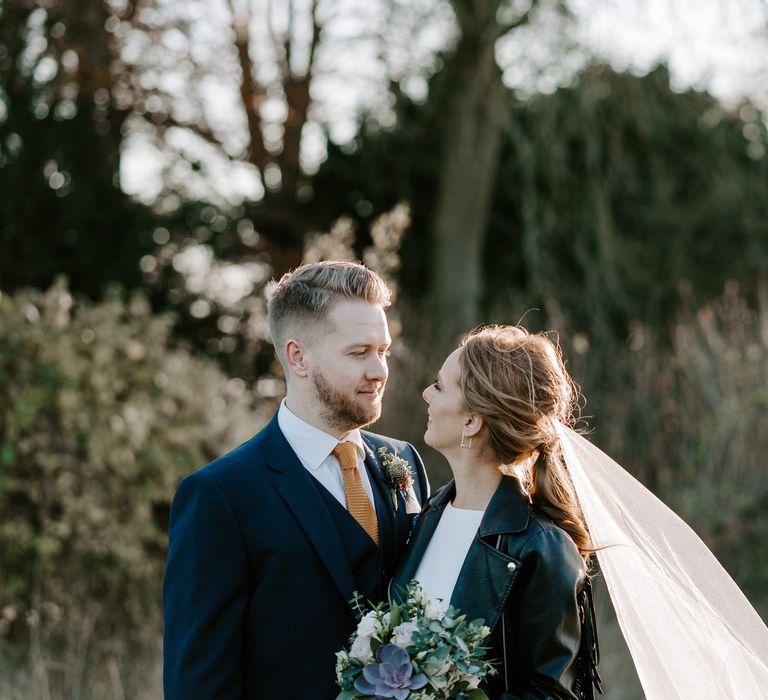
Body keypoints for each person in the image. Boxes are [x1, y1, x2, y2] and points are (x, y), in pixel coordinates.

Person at [163, 261, 430, 700]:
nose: (380, 371)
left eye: (383, 351)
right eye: (358, 352)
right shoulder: (221, 496)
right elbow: (199, 683)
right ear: (297, 356)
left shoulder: (403, 462)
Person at [391, 325, 601, 699]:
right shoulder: (427, 514)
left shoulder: (543, 548)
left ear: (471, 422)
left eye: (439, 386)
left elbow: (548, 693)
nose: (426, 393)